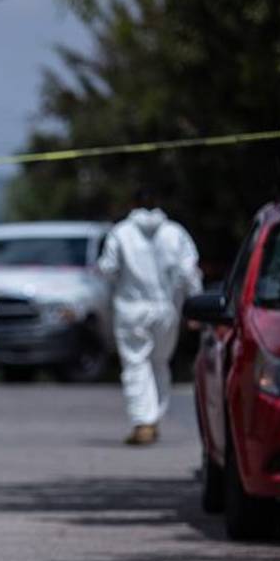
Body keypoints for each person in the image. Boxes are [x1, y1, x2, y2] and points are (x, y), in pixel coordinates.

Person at [97, 190, 202, 445]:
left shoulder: (120, 233)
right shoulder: (175, 233)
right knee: (159, 362)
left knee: (136, 363)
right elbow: (189, 271)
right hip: (166, 308)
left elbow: (108, 269)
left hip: (132, 308)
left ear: (132, 204)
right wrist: (196, 305)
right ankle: (153, 416)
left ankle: (143, 420)